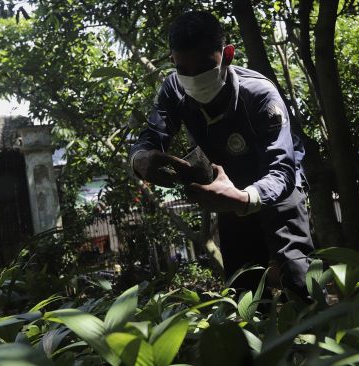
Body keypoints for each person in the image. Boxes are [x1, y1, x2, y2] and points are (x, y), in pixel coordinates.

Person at [129, 10, 314, 298]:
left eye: (204, 66)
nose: (194, 79)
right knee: (245, 288)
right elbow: (151, 136)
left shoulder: (260, 95)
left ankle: (316, 335)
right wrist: (141, 158)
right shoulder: (173, 90)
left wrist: (244, 198)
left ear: (227, 55)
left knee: (298, 277)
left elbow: (282, 171)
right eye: (183, 70)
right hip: (228, 189)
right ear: (172, 61)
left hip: (278, 190)